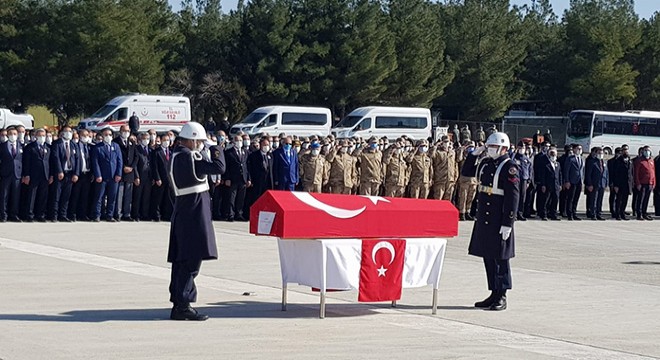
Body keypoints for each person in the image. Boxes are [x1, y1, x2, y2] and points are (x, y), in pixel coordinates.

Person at [167, 122, 225, 321]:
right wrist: (216, 147)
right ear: (191, 140)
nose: (200, 145)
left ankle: (178, 301)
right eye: (199, 141)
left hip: (182, 209)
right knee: (191, 260)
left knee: (181, 259)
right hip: (195, 213)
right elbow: (219, 167)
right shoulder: (192, 156)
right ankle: (183, 304)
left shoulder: (175, 156)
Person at [462, 132, 519, 311]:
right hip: (485, 217)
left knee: (501, 258)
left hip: (499, 217)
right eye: (489, 146)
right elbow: (467, 172)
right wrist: (473, 155)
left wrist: (508, 222)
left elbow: (513, 197)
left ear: (504, 148)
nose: (490, 150)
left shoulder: (510, 166)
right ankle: (493, 293)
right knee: (488, 255)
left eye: (494, 147)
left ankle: (502, 295)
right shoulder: (486, 163)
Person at [90, 128, 123, 222]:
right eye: (106, 134)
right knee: (99, 197)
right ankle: (97, 215)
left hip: (114, 177)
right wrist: (98, 175)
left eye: (109, 134)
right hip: (102, 177)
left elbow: (119, 161)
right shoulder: (97, 147)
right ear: (102, 136)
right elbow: (95, 162)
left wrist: (118, 174)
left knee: (112, 197)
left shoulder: (116, 146)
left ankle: (110, 215)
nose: (108, 136)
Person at [49, 126, 80, 222]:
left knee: (66, 196)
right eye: (66, 131)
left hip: (70, 174)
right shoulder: (57, 143)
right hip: (60, 174)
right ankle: (54, 215)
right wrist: (59, 171)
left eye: (70, 131)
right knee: (56, 195)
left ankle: (63, 215)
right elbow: (56, 158)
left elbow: (77, 160)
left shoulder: (73, 145)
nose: (68, 133)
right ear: (62, 133)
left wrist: (76, 173)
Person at [22, 129, 52, 222]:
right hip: (33, 175)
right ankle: (29, 215)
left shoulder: (48, 147)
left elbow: (51, 162)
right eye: (40, 135)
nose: (42, 137)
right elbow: (26, 162)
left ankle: (41, 214)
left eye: (43, 135)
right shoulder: (30, 147)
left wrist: (51, 175)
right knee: (32, 196)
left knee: (43, 196)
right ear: (36, 136)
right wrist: (26, 175)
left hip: (45, 175)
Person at [113, 126, 139, 221]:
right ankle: (118, 214)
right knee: (119, 195)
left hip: (130, 172)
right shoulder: (115, 142)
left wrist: (131, 167)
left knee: (128, 195)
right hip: (120, 171)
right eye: (124, 131)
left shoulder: (132, 142)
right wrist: (123, 167)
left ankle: (127, 214)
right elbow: (115, 157)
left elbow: (136, 157)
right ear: (120, 131)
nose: (126, 132)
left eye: (128, 131)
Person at [222, 135, 250, 221]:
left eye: (241, 140)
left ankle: (239, 214)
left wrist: (249, 178)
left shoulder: (245, 152)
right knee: (231, 197)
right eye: (238, 140)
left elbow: (247, 166)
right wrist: (227, 178)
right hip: (233, 179)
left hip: (243, 178)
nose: (240, 142)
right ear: (234, 142)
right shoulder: (229, 152)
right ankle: (230, 214)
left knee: (241, 198)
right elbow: (226, 167)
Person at [0, 127, 23, 222]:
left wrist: (24, 174)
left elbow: (23, 161)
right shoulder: (2, 146)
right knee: (4, 195)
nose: (12, 135)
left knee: (15, 196)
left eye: (14, 133)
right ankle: (3, 215)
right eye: (10, 134)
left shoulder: (21, 146)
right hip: (5, 174)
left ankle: (14, 215)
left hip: (17, 174)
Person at [70, 130, 93, 221]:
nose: (86, 137)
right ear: (79, 136)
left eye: (87, 135)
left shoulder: (89, 147)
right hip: (78, 174)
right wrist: (76, 173)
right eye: (84, 135)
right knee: (75, 195)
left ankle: (83, 214)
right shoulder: (76, 146)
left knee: (85, 196)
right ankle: (73, 214)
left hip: (87, 174)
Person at [245, 138, 273, 211]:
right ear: (260, 145)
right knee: (256, 198)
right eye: (264, 145)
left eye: (267, 145)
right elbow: (250, 168)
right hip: (257, 181)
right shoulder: (253, 155)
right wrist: (250, 179)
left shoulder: (270, 155)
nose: (266, 146)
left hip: (267, 181)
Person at [151, 134, 174, 222]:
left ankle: (167, 215)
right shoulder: (157, 152)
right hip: (160, 179)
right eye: (164, 140)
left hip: (169, 179)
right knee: (158, 198)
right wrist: (157, 178)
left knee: (168, 198)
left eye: (168, 140)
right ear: (160, 140)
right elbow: (155, 166)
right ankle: (156, 215)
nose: (166, 142)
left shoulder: (171, 151)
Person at [131, 132, 152, 221]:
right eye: (144, 139)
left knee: (146, 197)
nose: (146, 140)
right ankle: (136, 214)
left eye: (148, 139)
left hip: (148, 177)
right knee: (137, 196)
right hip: (140, 176)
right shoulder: (137, 149)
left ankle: (145, 214)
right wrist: (136, 176)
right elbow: (135, 164)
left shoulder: (150, 150)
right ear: (140, 139)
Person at [537, 146, 562, 221]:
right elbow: (543, 175)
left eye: (554, 154)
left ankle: (553, 214)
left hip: (556, 185)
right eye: (551, 154)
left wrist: (560, 184)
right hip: (548, 185)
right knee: (545, 201)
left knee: (555, 200)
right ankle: (544, 215)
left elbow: (560, 174)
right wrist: (543, 185)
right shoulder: (545, 164)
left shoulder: (558, 164)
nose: (553, 155)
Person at [633, 145, 655, 220]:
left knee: (646, 199)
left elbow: (653, 172)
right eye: (645, 150)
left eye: (648, 150)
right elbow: (636, 173)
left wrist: (653, 182)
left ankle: (644, 212)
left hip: (650, 183)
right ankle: (639, 214)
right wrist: (638, 183)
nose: (647, 152)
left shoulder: (651, 160)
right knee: (640, 199)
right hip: (642, 183)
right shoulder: (639, 161)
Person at [562, 144, 584, 220]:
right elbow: (566, 170)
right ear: (574, 149)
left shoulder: (581, 158)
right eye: (578, 148)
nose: (580, 150)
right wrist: (567, 181)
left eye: (581, 149)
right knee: (570, 198)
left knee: (576, 198)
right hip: (572, 181)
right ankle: (569, 214)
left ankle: (574, 213)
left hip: (579, 181)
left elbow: (582, 170)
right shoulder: (570, 159)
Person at [584, 147, 606, 220]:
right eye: (599, 153)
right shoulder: (592, 162)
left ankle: (598, 213)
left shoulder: (603, 162)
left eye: (602, 153)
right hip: (594, 184)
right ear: (595, 153)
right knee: (594, 200)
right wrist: (589, 184)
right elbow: (588, 174)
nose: (601, 155)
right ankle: (593, 214)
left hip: (601, 184)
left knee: (600, 199)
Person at [612, 146, 633, 220]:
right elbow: (615, 173)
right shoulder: (618, 161)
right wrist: (615, 185)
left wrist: (631, 184)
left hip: (627, 184)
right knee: (619, 200)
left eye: (627, 150)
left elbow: (631, 173)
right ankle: (617, 214)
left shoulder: (630, 160)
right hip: (620, 184)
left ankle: (622, 213)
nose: (626, 151)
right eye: (624, 150)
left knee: (625, 200)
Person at [512, 141, 531, 221]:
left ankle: (520, 213)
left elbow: (530, 169)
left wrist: (529, 180)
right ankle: (514, 214)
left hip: (524, 179)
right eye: (520, 147)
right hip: (516, 179)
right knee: (516, 196)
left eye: (523, 148)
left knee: (522, 197)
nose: (522, 149)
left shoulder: (526, 158)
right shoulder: (514, 157)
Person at [607, 148, 621, 218]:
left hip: (620, 183)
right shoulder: (611, 161)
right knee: (612, 196)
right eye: (618, 153)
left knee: (619, 198)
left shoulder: (622, 161)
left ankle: (618, 210)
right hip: (613, 182)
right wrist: (611, 183)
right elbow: (610, 173)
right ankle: (612, 210)